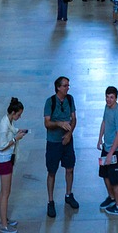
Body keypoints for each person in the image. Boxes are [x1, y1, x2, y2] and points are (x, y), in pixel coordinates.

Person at [43, 76, 79, 218]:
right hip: (53, 142)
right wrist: (58, 124)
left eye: (68, 85)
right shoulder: (50, 102)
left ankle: (68, 194)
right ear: (58, 87)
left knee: (70, 168)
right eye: (65, 86)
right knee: (52, 171)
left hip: (67, 141)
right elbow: (47, 123)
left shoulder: (70, 99)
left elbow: (74, 119)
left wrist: (69, 133)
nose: (67, 88)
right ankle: (50, 201)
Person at [0, 97, 29, 233]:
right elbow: (2, 146)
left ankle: (4, 218)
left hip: (7, 159)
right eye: (19, 115)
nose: (19, 117)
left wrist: (18, 132)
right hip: (4, 161)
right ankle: (4, 225)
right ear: (13, 112)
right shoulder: (4, 125)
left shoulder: (8, 121)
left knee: (5, 192)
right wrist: (16, 139)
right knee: (5, 192)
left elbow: (12, 129)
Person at [96, 86, 118, 216]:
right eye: (107, 97)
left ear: (116, 98)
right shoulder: (107, 107)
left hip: (116, 151)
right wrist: (99, 139)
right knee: (104, 174)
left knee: (115, 179)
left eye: (111, 97)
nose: (109, 100)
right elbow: (104, 122)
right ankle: (111, 198)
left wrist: (110, 154)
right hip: (106, 148)